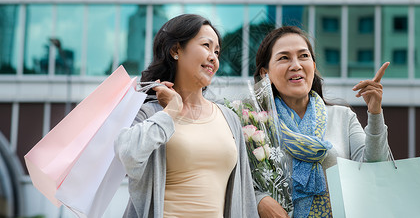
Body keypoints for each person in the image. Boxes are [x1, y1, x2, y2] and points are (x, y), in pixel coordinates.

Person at [114, 14, 259, 218]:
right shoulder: (151, 113)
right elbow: (128, 155)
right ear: (176, 50)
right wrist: (171, 111)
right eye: (206, 46)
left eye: (217, 52)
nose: (213, 57)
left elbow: (245, 200)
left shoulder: (229, 119)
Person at [253, 26, 390, 218]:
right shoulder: (255, 126)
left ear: (314, 66)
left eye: (303, 56)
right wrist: (259, 199)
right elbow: (240, 182)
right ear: (264, 73)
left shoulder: (343, 117)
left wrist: (375, 112)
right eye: (284, 58)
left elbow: (374, 168)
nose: (296, 65)